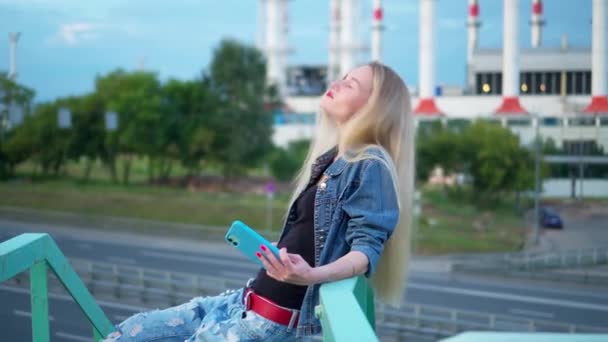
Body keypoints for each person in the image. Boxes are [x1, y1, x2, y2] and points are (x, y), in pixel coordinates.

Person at [102, 61, 415, 341]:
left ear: (375, 108)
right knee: (128, 332)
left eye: (351, 84)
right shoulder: (332, 160)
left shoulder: (370, 164)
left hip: (267, 324)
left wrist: (310, 275)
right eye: (343, 76)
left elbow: (366, 250)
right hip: (241, 302)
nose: (336, 83)